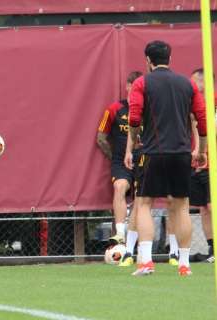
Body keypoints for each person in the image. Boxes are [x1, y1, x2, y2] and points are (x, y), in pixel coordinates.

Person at [126, 40, 207, 276]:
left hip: (153, 153)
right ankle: (184, 264)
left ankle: (147, 261)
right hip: (181, 153)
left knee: (145, 204)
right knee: (181, 206)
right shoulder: (187, 84)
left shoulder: (142, 83)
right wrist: (201, 150)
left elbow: (134, 117)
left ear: (148, 61)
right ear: (170, 59)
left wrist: (134, 138)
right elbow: (201, 120)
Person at [96, 71, 142, 266]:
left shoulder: (149, 109)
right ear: (128, 86)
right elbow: (101, 137)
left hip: (144, 160)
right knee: (120, 187)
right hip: (120, 162)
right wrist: (115, 156)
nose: (136, 90)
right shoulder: (115, 109)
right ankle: (120, 233)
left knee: (142, 200)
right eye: (133, 86)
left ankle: (139, 246)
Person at [189, 68, 214, 263]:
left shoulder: (212, 101)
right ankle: (212, 249)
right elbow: (196, 129)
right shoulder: (192, 103)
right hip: (198, 161)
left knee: (211, 206)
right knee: (203, 208)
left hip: (211, 162)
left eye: (194, 81)